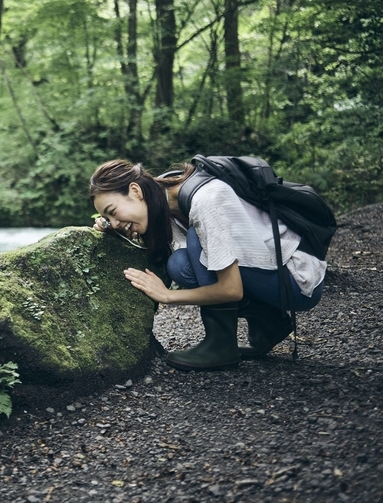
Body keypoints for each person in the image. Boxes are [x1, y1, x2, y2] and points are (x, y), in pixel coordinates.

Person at [88, 159, 325, 371]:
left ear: (135, 190)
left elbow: (231, 290)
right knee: (179, 264)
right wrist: (109, 228)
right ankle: (269, 324)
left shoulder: (205, 201)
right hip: (270, 272)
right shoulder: (165, 196)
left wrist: (166, 296)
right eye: (109, 219)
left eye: (113, 212)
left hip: (296, 280)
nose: (115, 223)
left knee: (195, 239)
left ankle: (220, 345)